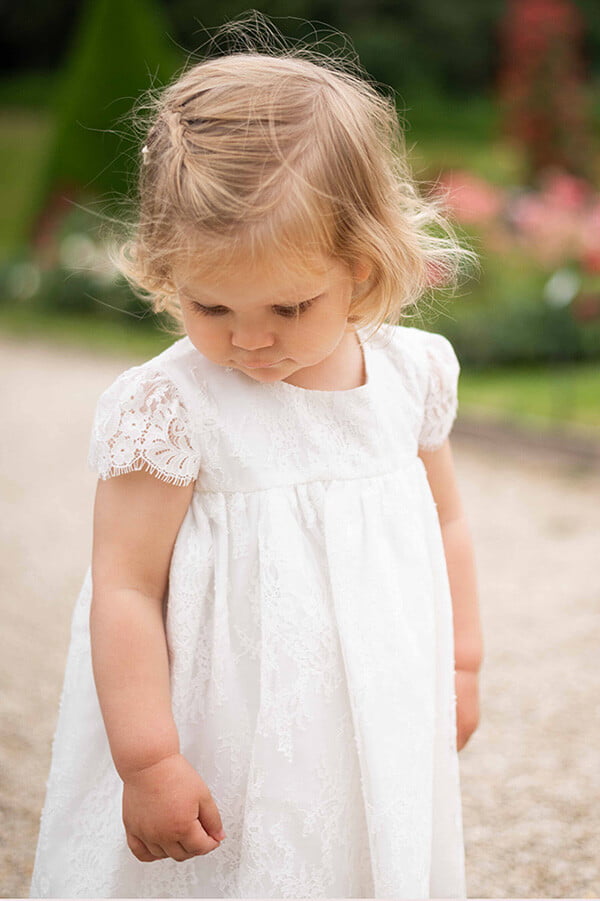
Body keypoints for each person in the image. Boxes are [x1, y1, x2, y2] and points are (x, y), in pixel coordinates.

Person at [30, 24, 483, 901]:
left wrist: (461, 665)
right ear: (166, 271)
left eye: (288, 304)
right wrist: (149, 757)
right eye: (210, 305)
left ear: (360, 266)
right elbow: (124, 584)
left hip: (375, 712)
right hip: (220, 729)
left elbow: (448, 520)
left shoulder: (407, 377)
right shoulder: (174, 407)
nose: (248, 339)